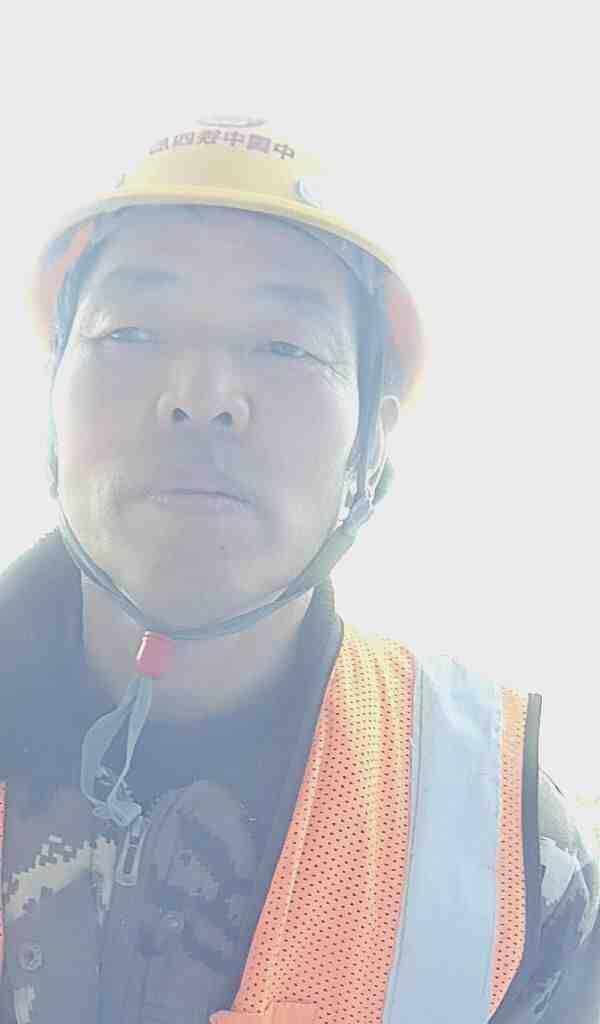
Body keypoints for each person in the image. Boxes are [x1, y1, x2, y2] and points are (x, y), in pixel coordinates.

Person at [0, 115, 598, 1024]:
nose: (201, 398)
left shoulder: (506, 845)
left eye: (285, 347)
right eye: (130, 332)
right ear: (51, 402)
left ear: (372, 446)